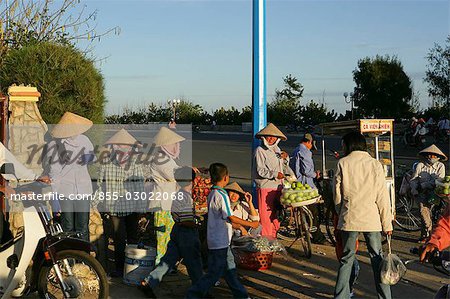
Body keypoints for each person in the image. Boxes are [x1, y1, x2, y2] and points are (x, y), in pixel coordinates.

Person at [333, 131, 393, 299]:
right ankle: (385, 297)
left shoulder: (343, 163)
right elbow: (382, 197)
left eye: (343, 144)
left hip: (350, 218)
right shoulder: (375, 164)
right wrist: (387, 224)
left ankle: (341, 296)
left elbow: (337, 195)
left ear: (349, 145)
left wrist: (341, 213)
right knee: (377, 260)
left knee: (347, 259)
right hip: (372, 219)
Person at [187, 163, 254, 299]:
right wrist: (250, 223)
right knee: (214, 274)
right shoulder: (221, 194)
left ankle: (242, 295)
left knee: (230, 270)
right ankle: (193, 294)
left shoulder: (213, 192)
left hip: (219, 240)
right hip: (220, 241)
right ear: (225, 178)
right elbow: (229, 216)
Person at [140, 167, 203, 298]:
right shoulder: (186, 198)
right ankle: (200, 290)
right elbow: (186, 221)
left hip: (176, 231)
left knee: (168, 261)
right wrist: (198, 223)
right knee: (194, 264)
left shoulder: (178, 194)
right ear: (193, 181)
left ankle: (149, 282)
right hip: (187, 234)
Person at [95, 128, 145, 277]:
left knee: (133, 238)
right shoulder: (106, 164)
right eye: (121, 150)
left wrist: (141, 209)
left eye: (128, 151)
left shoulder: (136, 164)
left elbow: (140, 187)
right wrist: (93, 204)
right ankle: (119, 268)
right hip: (114, 209)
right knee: (119, 239)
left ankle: (133, 267)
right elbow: (100, 187)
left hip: (132, 207)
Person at [42, 112, 95, 241]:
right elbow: (54, 173)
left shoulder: (84, 140)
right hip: (65, 191)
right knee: (68, 225)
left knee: (83, 225)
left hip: (83, 189)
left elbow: (93, 156)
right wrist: (55, 196)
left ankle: (84, 258)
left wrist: (89, 158)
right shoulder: (54, 146)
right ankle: (69, 258)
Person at [145, 127, 184, 265]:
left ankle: (167, 264)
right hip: (161, 203)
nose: (176, 147)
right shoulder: (160, 159)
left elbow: (177, 171)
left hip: (168, 202)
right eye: (173, 144)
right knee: (162, 237)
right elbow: (174, 175)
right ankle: (159, 266)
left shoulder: (167, 159)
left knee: (169, 236)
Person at [253, 123, 291, 238]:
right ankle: (267, 241)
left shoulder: (278, 150)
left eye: (273, 137)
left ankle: (273, 238)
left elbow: (284, 168)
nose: (271, 139)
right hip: (265, 187)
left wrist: (286, 158)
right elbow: (260, 170)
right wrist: (275, 174)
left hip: (278, 187)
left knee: (277, 216)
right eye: (268, 136)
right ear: (264, 138)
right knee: (265, 218)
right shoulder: (259, 150)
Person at [290, 133, 327, 244]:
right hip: (306, 187)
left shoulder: (296, 150)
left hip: (297, 185)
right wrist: (316, 175)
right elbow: (306, 171)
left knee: (304, 212)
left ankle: (302, 231)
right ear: (309, 142)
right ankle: (317, 236)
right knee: (313, 213)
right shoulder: (305, 152)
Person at [410, 144, 446, 242]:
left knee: (429, 214)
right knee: (423, 212)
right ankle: (428, 235)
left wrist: (425, 184)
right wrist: (414, 189)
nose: (431, 157)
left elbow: (439, 180)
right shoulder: (420, 165)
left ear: (438, 157)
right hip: (421, 193)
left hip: (435, 193)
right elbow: (414, 179)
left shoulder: (440, 166)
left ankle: (425, 235)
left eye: (434, 156)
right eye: (429, 155)